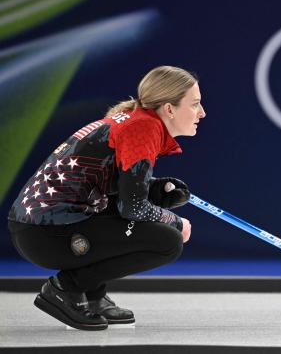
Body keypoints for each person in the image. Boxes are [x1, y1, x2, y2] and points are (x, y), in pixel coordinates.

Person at [6, 65, 206, 330]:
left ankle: (92, 295)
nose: (201, 113)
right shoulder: (144, 129)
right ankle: (65, 289)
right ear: (169, 109)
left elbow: (109, 186)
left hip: (37, 227)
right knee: (167, 240)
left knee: (125, 219)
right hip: (47, 234)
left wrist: (156, 190)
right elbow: (132, 207)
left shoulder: (135, 120)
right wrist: (175, 221)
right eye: (195, 104)